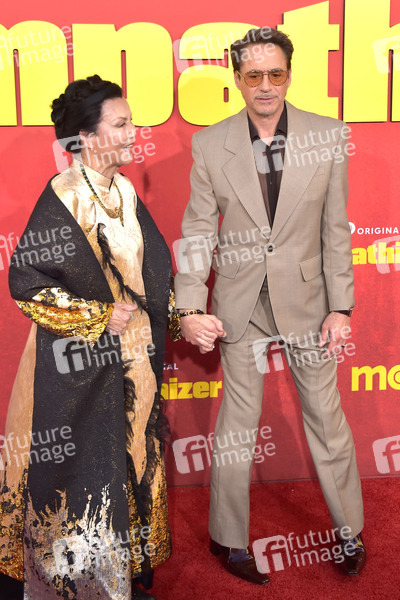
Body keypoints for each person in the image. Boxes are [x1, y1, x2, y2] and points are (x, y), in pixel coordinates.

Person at [174, 27, 366, 585]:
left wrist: (342, 307)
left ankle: (350, 530)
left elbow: (335, 229)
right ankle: (228, 538)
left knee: (326, 418)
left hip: (308, 299)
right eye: (253, 74)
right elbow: (198, 230)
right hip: (240, 302)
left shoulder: (328, 135)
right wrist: (189, 306)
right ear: (237, 79)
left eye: (275, 74)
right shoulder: (211, 144)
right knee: (238, 425)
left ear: (289, 75)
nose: (265, 85)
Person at [0, 75, 171, 600]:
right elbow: (27, 282)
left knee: (126, 463)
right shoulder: (66, 195)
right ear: (87, 138)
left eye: (131, 120)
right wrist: (97, 315)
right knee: (80, 474)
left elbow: (147, 280)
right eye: (121, 124)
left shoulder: (124, 191)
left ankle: (120, 580)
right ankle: (75, 586)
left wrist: (182, 317)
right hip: (75, 367)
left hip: (132, 361)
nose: (133, 131)